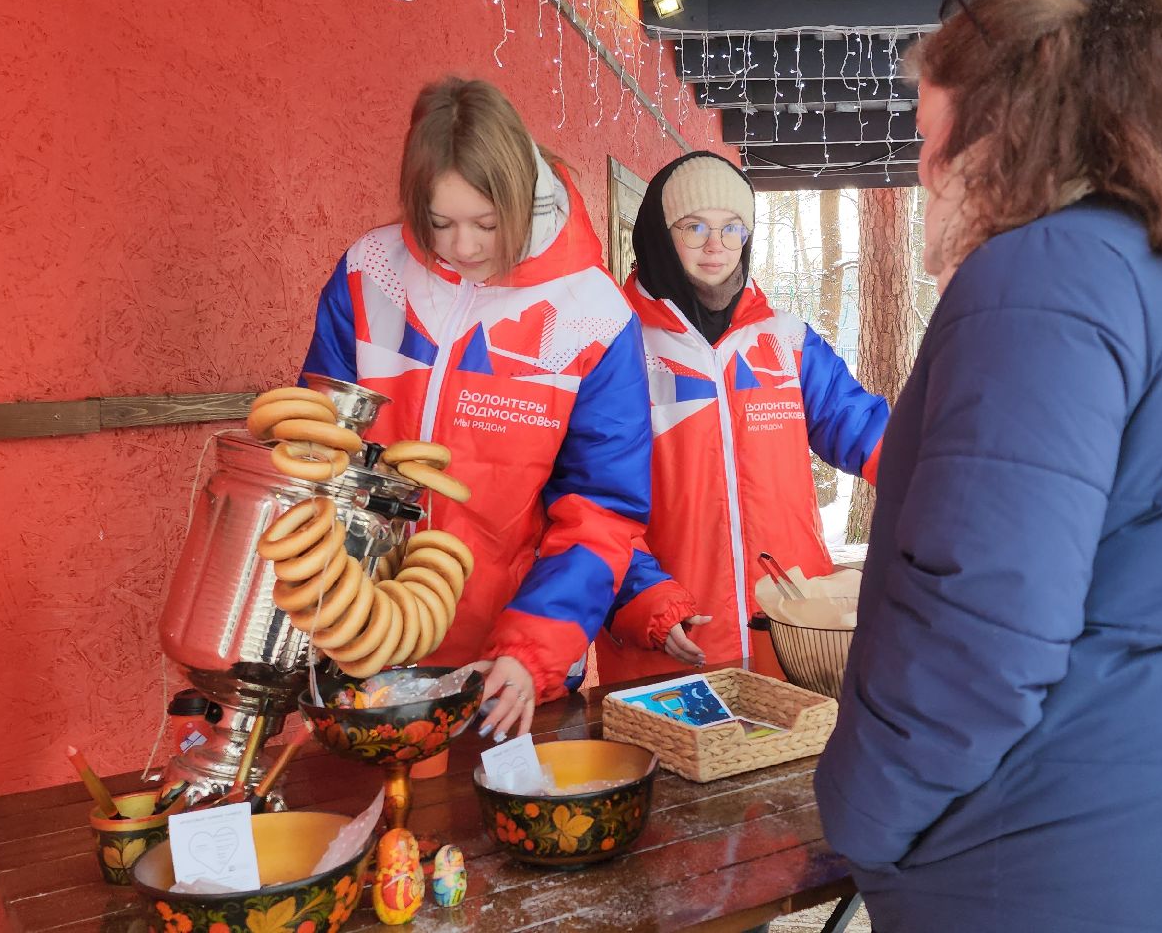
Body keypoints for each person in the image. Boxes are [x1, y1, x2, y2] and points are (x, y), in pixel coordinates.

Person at [813, 0, 1162, 931]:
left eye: (934, 137)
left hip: (1072, 862)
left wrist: (860, 815)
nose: (926, 170)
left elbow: (980, 623)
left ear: (1004, 128)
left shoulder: (1041, 277)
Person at [301, 77, 654, 741]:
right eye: (440, 222)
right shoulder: (368, 272)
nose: (463, 248)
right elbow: (321, 450)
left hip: (508, 664)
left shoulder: (592, 315)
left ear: (521, 196)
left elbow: (601, 512)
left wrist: (531, 651)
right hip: (366, 644)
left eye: (487, 224)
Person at [599, 151, 887, 683]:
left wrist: (947, 483)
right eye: (695, 226)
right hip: (672, 640)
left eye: (733, 227)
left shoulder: (785, 340)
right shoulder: (616, 344)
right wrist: (647, 601)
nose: (717, 244)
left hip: (791, 634)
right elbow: (587, 500)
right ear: (661, 234)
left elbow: (866, 430)